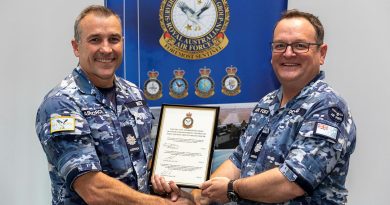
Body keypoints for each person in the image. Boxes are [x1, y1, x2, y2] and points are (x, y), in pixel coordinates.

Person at [193, 9, 357, 205]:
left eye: (300, 45)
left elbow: (291, 181)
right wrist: (202, 194)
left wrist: (230, 189)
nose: (288, 53)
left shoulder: (327, 107)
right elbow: (238, 160)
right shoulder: (266, 103)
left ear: (321, 53)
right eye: (280, 45)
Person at [35, 5, 193, 205]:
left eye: (114, 39)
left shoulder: (133, 94)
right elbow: (93, 189)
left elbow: (144, 158)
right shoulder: (61, 105)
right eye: (95, 40)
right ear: (76, 47)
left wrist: (161, 177)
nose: (106, 49)